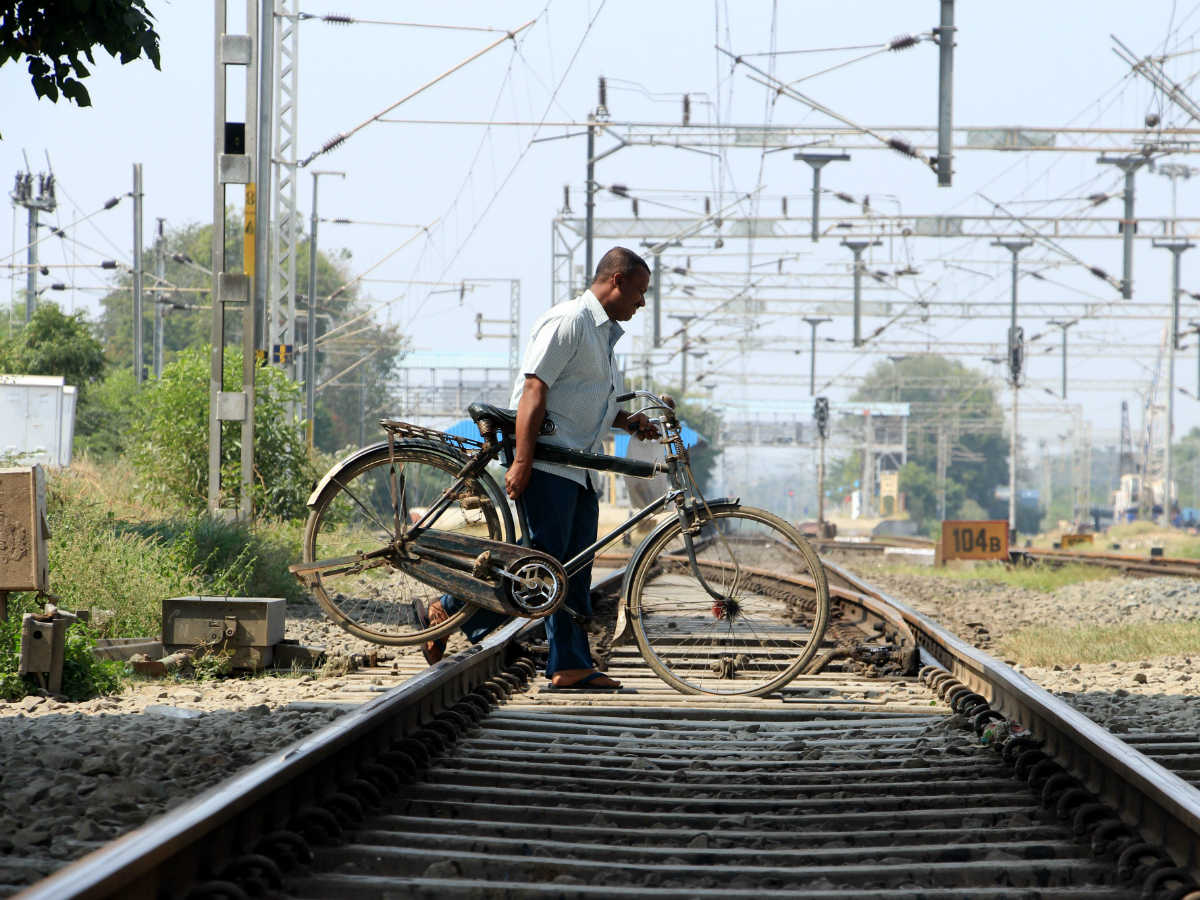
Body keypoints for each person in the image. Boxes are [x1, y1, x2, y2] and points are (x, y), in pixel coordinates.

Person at [418, 246, 660, 689]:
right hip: (548, 461)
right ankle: (451, 608)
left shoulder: (604, 336)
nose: (642, 303)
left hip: (578, 467)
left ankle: (569, 664)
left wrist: (629, 421)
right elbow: (534, 389)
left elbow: (586, 401)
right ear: (617, 281)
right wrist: (523, 461)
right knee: (541, 565)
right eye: (640, 292)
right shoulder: (569, 322)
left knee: (572, 568)